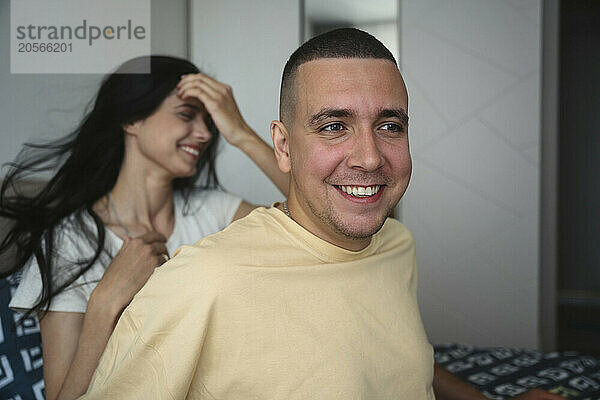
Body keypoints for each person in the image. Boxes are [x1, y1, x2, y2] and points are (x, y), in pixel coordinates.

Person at [79, 31, 565, 400]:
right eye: (335, 126)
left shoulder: (397, 246)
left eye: (389, 126)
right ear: (284, 146)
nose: (371, 158)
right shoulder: (201, 282)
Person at [1, 55, 288, 400]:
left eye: (208, 121)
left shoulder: (216, 212)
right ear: (132, 119)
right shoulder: (69, 241)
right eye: (186, 115)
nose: (204, 133)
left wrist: (240, 133)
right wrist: (106, 302)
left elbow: (314, 215)